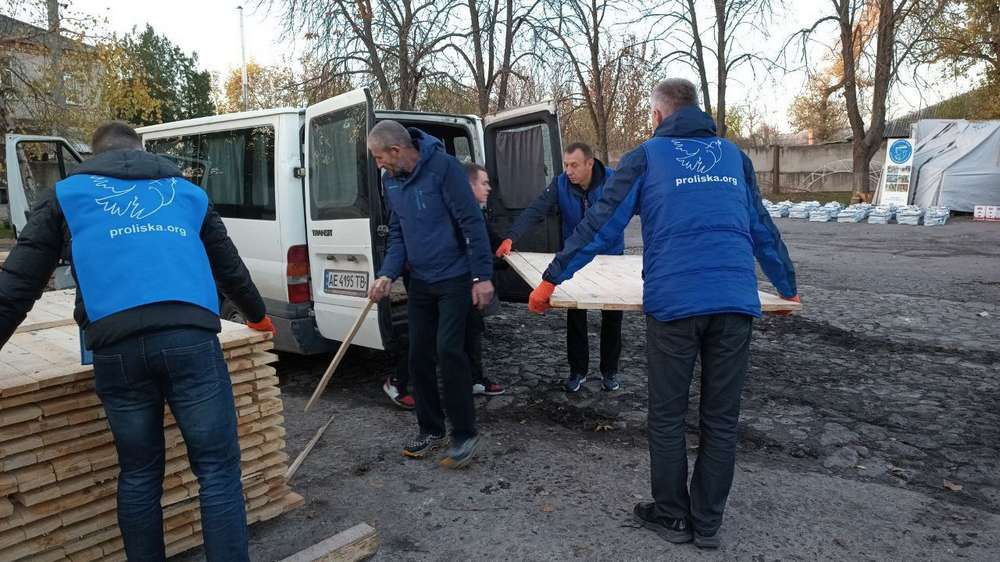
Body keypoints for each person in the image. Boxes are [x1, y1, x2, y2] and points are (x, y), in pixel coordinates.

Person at [525, 79, 799, 549]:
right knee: (721, 418)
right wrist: (787, 287)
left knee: (669, 415)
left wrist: (552, 278)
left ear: (657, 116)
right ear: (696, 111)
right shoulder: (734, 157)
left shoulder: (647, 156)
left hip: (675, 305)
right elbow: (760, 227)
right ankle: (707, 523)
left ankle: (672, 516)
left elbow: (600, 223)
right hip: (735, 303)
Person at [0, 122, 274, 561]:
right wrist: (259, 318)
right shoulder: (187, 193)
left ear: (93, 155)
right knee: (218, 472)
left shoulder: (67, 195)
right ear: (142, 150)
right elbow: (229, 266)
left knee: (141, 473)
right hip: (190, 338)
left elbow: (16, 285)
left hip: (116, 348)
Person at [366, 120, 495, 469]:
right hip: (420, 281)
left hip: (455, 277)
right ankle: (431, 429)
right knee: (418, 354)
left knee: (448, 350)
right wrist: (387, 273)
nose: (379, 164)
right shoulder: (391, 180)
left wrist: (482, 276)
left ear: (396, 150)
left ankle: (464, 433)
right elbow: (398, 232)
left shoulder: (444, 168)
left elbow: (471, 222)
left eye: (380, 157)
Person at [495, 142, 623, 393]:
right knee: (575, 314)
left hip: (610, 256)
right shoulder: (561, 184)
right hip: (574, 257)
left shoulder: (613, 180)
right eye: (566, 165)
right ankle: (578, 371)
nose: (569, 170)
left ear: (590, 163)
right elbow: (535, 210)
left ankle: (609, 372)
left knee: (612, 316)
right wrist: (512, 236)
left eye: (574, 165)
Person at [464, 162, 505, 396]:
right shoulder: (462, 214)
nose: (489, 188)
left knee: (472, 331)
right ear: (469, 185)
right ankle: (400, 380)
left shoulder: (476, 213)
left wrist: (509, 247)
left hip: (471, 285)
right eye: (484, 182)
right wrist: (478, 279)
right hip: (461, 286)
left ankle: (474, 379)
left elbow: (492, 239)